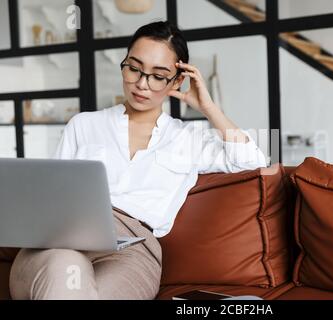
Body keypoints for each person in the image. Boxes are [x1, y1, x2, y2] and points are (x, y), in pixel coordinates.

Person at [9, 20, 267, 300]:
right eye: (134, 68)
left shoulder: (189, 138)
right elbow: (53, 198)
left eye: (158, 75)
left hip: (133, 250)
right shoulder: (83, 124)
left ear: (177, 80)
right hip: (62, 244)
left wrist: (208, 107)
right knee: (66, 267)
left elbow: (253, 161)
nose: (142, 84)